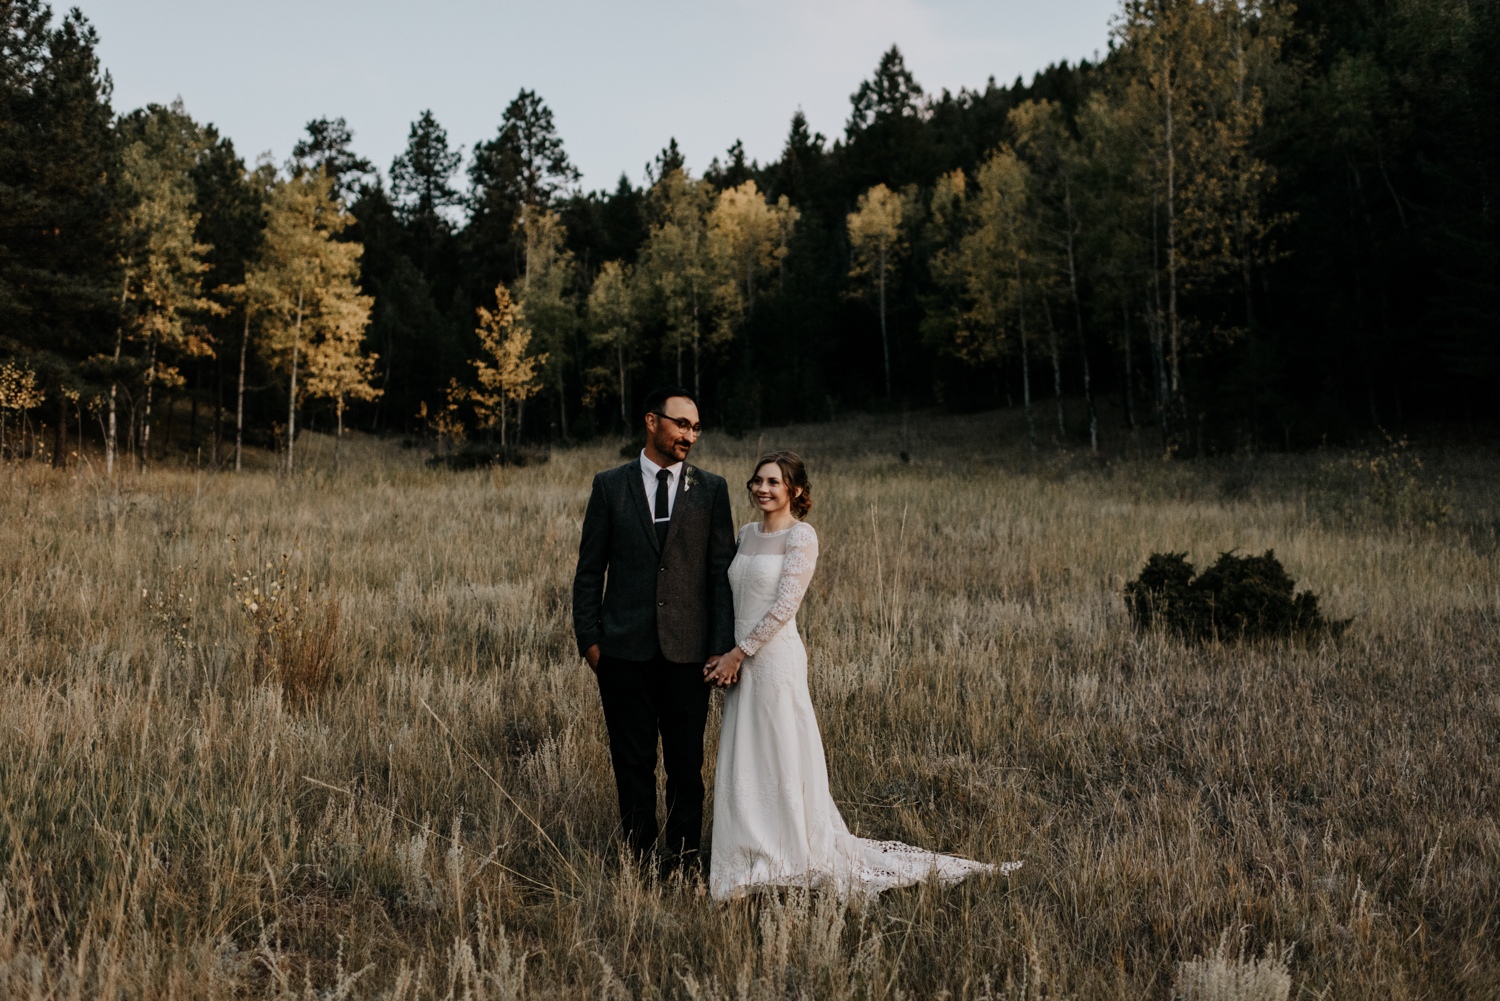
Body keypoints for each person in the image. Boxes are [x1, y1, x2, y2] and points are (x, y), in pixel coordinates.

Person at [703, 451, 1020, 900]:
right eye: (757, 480)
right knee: (746, 752)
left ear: (794, 490)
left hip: (773, 659)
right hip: (738, 658)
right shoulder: (746, 533)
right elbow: (734, 597)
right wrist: (725, 653)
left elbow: (783, 607)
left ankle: (789, 853)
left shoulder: (801, 537)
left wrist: (740, 652)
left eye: (774, 482)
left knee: (779, 749)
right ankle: (746, 850)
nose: (762, 489)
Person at [572, 386, 737, 874]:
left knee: (686, 769)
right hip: (622, 653)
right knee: (632, 767)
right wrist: (591, 642)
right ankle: (640, 862)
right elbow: (588, 571)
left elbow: (719, 576)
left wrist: (719, 648)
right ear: (651, 421)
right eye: (681, 423)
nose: (690, 434)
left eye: (695, 427)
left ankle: (685, 861)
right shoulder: (609, 486)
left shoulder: (711, 489)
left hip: (689, 656)